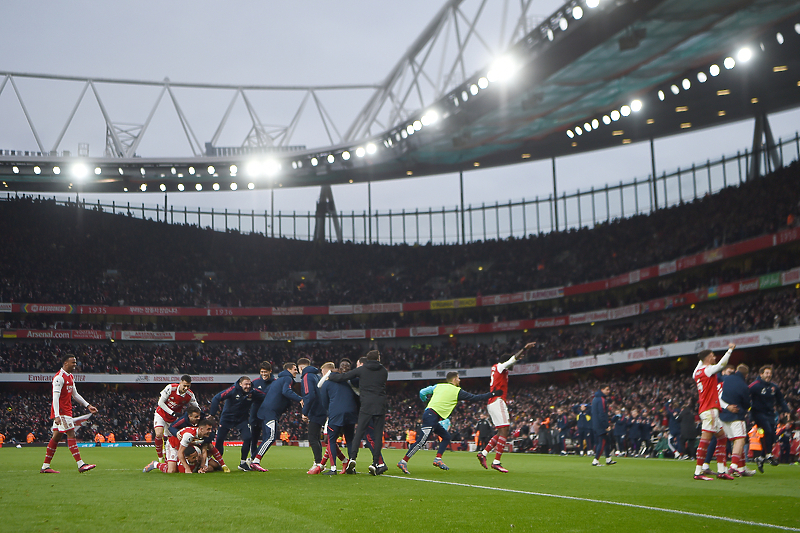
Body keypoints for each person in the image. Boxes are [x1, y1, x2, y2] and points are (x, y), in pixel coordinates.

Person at [398, 372, 497, 474]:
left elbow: (422, 392)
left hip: (431, 415)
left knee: (446, 436)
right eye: (458, 378)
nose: (459, 380)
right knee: (421, 441)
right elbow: (475, 398)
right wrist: (492, 394)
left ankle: (438, 459)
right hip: (432, 416)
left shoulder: (438, 386)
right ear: (454, 379)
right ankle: (403, 461)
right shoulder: (457, 391)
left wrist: (425, 401)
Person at [321, 350, 388, 475]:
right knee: (377, 435)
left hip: (365, 406)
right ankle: (376, 463)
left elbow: (343, 377)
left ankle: (351, 459)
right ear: (378, 358)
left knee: (356, 435)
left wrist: (330, 375)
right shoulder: (384, 371)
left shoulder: (361, 371)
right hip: (380, 405)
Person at [477, 342, 535, 471]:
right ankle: (497, 461)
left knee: (500, 431)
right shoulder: (500, 367)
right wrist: (524, 348)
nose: (513, 365)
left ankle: (483, 453)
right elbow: (512, 359)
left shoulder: (497, 369)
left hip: (492, 402)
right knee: (505, 430)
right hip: (497, 401)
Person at [40, 354, 98, 474]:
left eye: (75, 363)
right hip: (62, 412)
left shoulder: (70, 376)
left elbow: (75, 394)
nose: (75, 365)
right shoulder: (59, 378)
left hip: (66, 411)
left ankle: (45, 466)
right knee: (71, 434)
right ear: (65, 363)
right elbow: (55, 398)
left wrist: (88, 405)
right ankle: (81, 464)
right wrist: (57, 415)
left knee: (56, 437)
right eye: (73, 362)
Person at [691, 343, 735, 480]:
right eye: (712, 355)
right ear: (708, 358)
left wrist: (702, 356)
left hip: (708, 409)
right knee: (706, 440)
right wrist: (729, 350)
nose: (714, 357)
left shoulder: (697, 372)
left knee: (722, 438)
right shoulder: (707, 370)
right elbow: (722, 365)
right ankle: (698, 472)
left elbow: (698, 367)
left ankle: (721, 471)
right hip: (710, 409)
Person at [250, 362, 304, 472]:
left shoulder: (278, 380)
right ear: (289, 369)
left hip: (265, 411)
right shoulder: (287, 379)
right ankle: (255, 461)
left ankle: (251, 460)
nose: (296, 371)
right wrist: (300, 399)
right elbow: (286, 391)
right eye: (295, 369)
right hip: (270, 413)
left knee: (266, 437)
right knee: (270, 437)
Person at [209, 376, 261, 471]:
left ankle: (243, 463)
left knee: (248, 437)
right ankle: (218, 464)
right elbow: (216, 398)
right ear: (240, 384)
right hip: (227, 418)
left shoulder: (252, 393)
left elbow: (264, 397)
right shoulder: (232, 390)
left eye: (249, 384)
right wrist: (212, 414)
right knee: (220, 440)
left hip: (241, 419)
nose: (248, 386)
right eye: (246, 384)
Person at [318, 361, 359, 475]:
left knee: (331, 439)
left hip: (336, 413)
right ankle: (352, 465)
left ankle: (333, 468)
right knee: (350, 439)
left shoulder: (327, 382)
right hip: (351, 413)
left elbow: (324, 402)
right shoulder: (349, 382)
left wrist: (330, 411)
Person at [749, 365, 791, 471]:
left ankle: (761, 458)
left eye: (770, 373)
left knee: (772, 435)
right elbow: (745, 395)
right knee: (767, 430)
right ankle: (768, 454)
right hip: (758, 413)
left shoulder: (774, 387)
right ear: (761, 374)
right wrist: (748, 409)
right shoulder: (755, 385)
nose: (769, 375)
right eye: (766, 373)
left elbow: (781, 399)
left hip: (770, 414)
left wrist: (786, 410)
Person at [152, 375, 199, 463]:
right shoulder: (170, 388)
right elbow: (160, 402)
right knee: (158, 434)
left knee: (171, 440)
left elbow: (196, 407)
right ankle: (160, 457)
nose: (185, 388)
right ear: (180, 383)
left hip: (173, 419)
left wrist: (203, 415)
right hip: (161, 414)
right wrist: (172, 412)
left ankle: (168, 458)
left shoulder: (190, 395)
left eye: (188, 386)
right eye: (184, 385)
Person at [144, 418, 215, 474]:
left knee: (196, 457)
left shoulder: (204, 435)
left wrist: (203, 466)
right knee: (171, 470)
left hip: (186, 447)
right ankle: (155, 464)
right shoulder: (189, 435)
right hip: (173, 446)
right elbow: (180, 452)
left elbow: (204, 450)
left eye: (210, 429)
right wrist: (187, 469)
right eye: (208, 429)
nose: (210, 431)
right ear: (201, 429)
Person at [720, 363, 755, 476]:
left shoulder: (727, 379)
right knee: (740, 440)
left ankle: (742, 468)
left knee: (735, 442)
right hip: (736, 416)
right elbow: (746, 403)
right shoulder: (744, 386)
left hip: (724, 415)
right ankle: (734, 466)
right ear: (746, 375)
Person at [297, 357, 327, 475]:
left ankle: (318, 463)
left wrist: (305, 412)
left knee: (312, 437)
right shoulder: (316, 376)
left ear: (301, 367)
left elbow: (309, 395)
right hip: (322, 410)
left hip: (316, 411)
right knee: (315, 437)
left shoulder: (307, 376)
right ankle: (319, 462)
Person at [246, 361, 274, 465]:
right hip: (254, 414)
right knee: (253, 438)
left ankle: (254, 457)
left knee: (268, 437)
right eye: (262, 372)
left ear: (270, 371)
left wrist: (257, 394)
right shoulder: (255, 382)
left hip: (267, 415)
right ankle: (253, 459)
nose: (263, 374)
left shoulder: (274, 383)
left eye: (265, 372)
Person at [590, 384, 617, 466]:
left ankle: (608, 459)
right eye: (607, 389)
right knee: (602, 442)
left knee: (607, 441)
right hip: (600, 425)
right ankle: (596, 460)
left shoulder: (595, 399)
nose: (608, 391)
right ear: (602, 389)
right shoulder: (602, 400)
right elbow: (602, 414)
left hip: (595, 423)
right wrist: (606, 425)